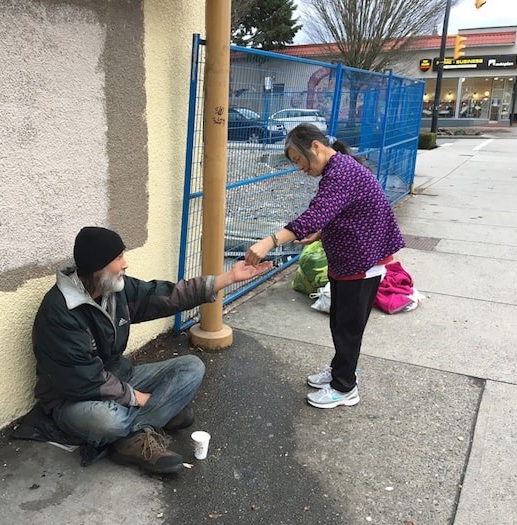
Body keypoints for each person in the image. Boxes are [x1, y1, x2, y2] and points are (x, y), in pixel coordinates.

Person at [32, 226, 272, 474]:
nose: (126, 264)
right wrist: (139, 397)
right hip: (72, 398)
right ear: (98, 266)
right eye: (118, 258)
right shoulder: (60, 312)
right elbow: (83, 380)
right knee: (108, 421)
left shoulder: (114, 290)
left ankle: (133, 434)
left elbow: (167, 296)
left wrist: (228, 278)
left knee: (191, 367)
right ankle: (145, 426)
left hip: (117, 376)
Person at [244, 124, 405, 409]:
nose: (299, 168)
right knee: (340, 322)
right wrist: (320, 234)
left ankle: (345, 388)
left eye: (298, 159)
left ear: (315, 146)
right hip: (350, 260)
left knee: (348, 328)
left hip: (363, 261)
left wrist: (268, 242)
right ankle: (340, 371)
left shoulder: (340, 172)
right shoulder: (338, 169)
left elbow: (315, 215)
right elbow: (340, 211)